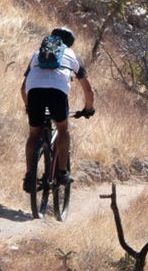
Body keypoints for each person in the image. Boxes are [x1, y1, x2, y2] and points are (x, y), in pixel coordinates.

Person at [21, 27, 94, 193]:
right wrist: (88, 109)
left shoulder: (38, 54)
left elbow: (23, 88)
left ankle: (29, 176)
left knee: (34, 135)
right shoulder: (72, 55)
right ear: (70, 43)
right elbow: (88, 90)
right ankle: (62, 173)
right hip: (57, 93)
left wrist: (28, 106)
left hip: (34, 92)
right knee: (62, 129)